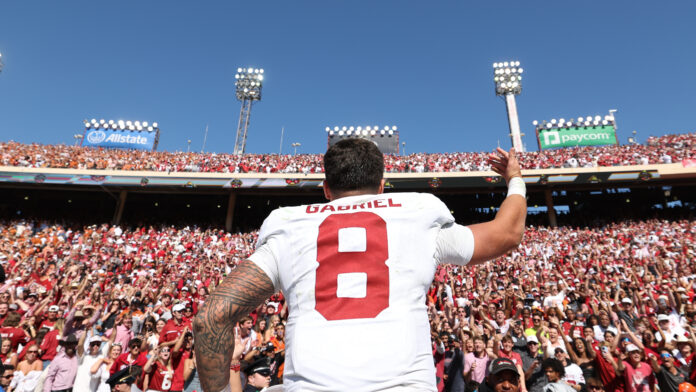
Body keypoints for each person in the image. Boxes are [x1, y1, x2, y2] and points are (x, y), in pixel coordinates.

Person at [194, 139, 527, 391]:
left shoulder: (288, 225)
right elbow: (507, 233)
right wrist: (514, 177)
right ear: (382, 187)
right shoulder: (418, 213)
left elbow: (212, 317)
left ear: (326, 189)